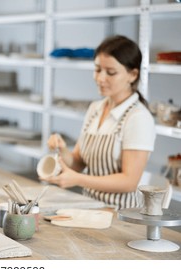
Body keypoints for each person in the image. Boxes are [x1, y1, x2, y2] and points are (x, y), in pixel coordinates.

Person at [43, 35, 155, 210]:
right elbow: (78, 163)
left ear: (132, 75)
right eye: (97, 69)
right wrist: (62, 149)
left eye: (110, 72)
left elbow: (129, 181)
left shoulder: (138, 118)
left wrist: (77, 179)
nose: (100, 78)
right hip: (90, 207)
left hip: (121, 215)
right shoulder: (96, 108)